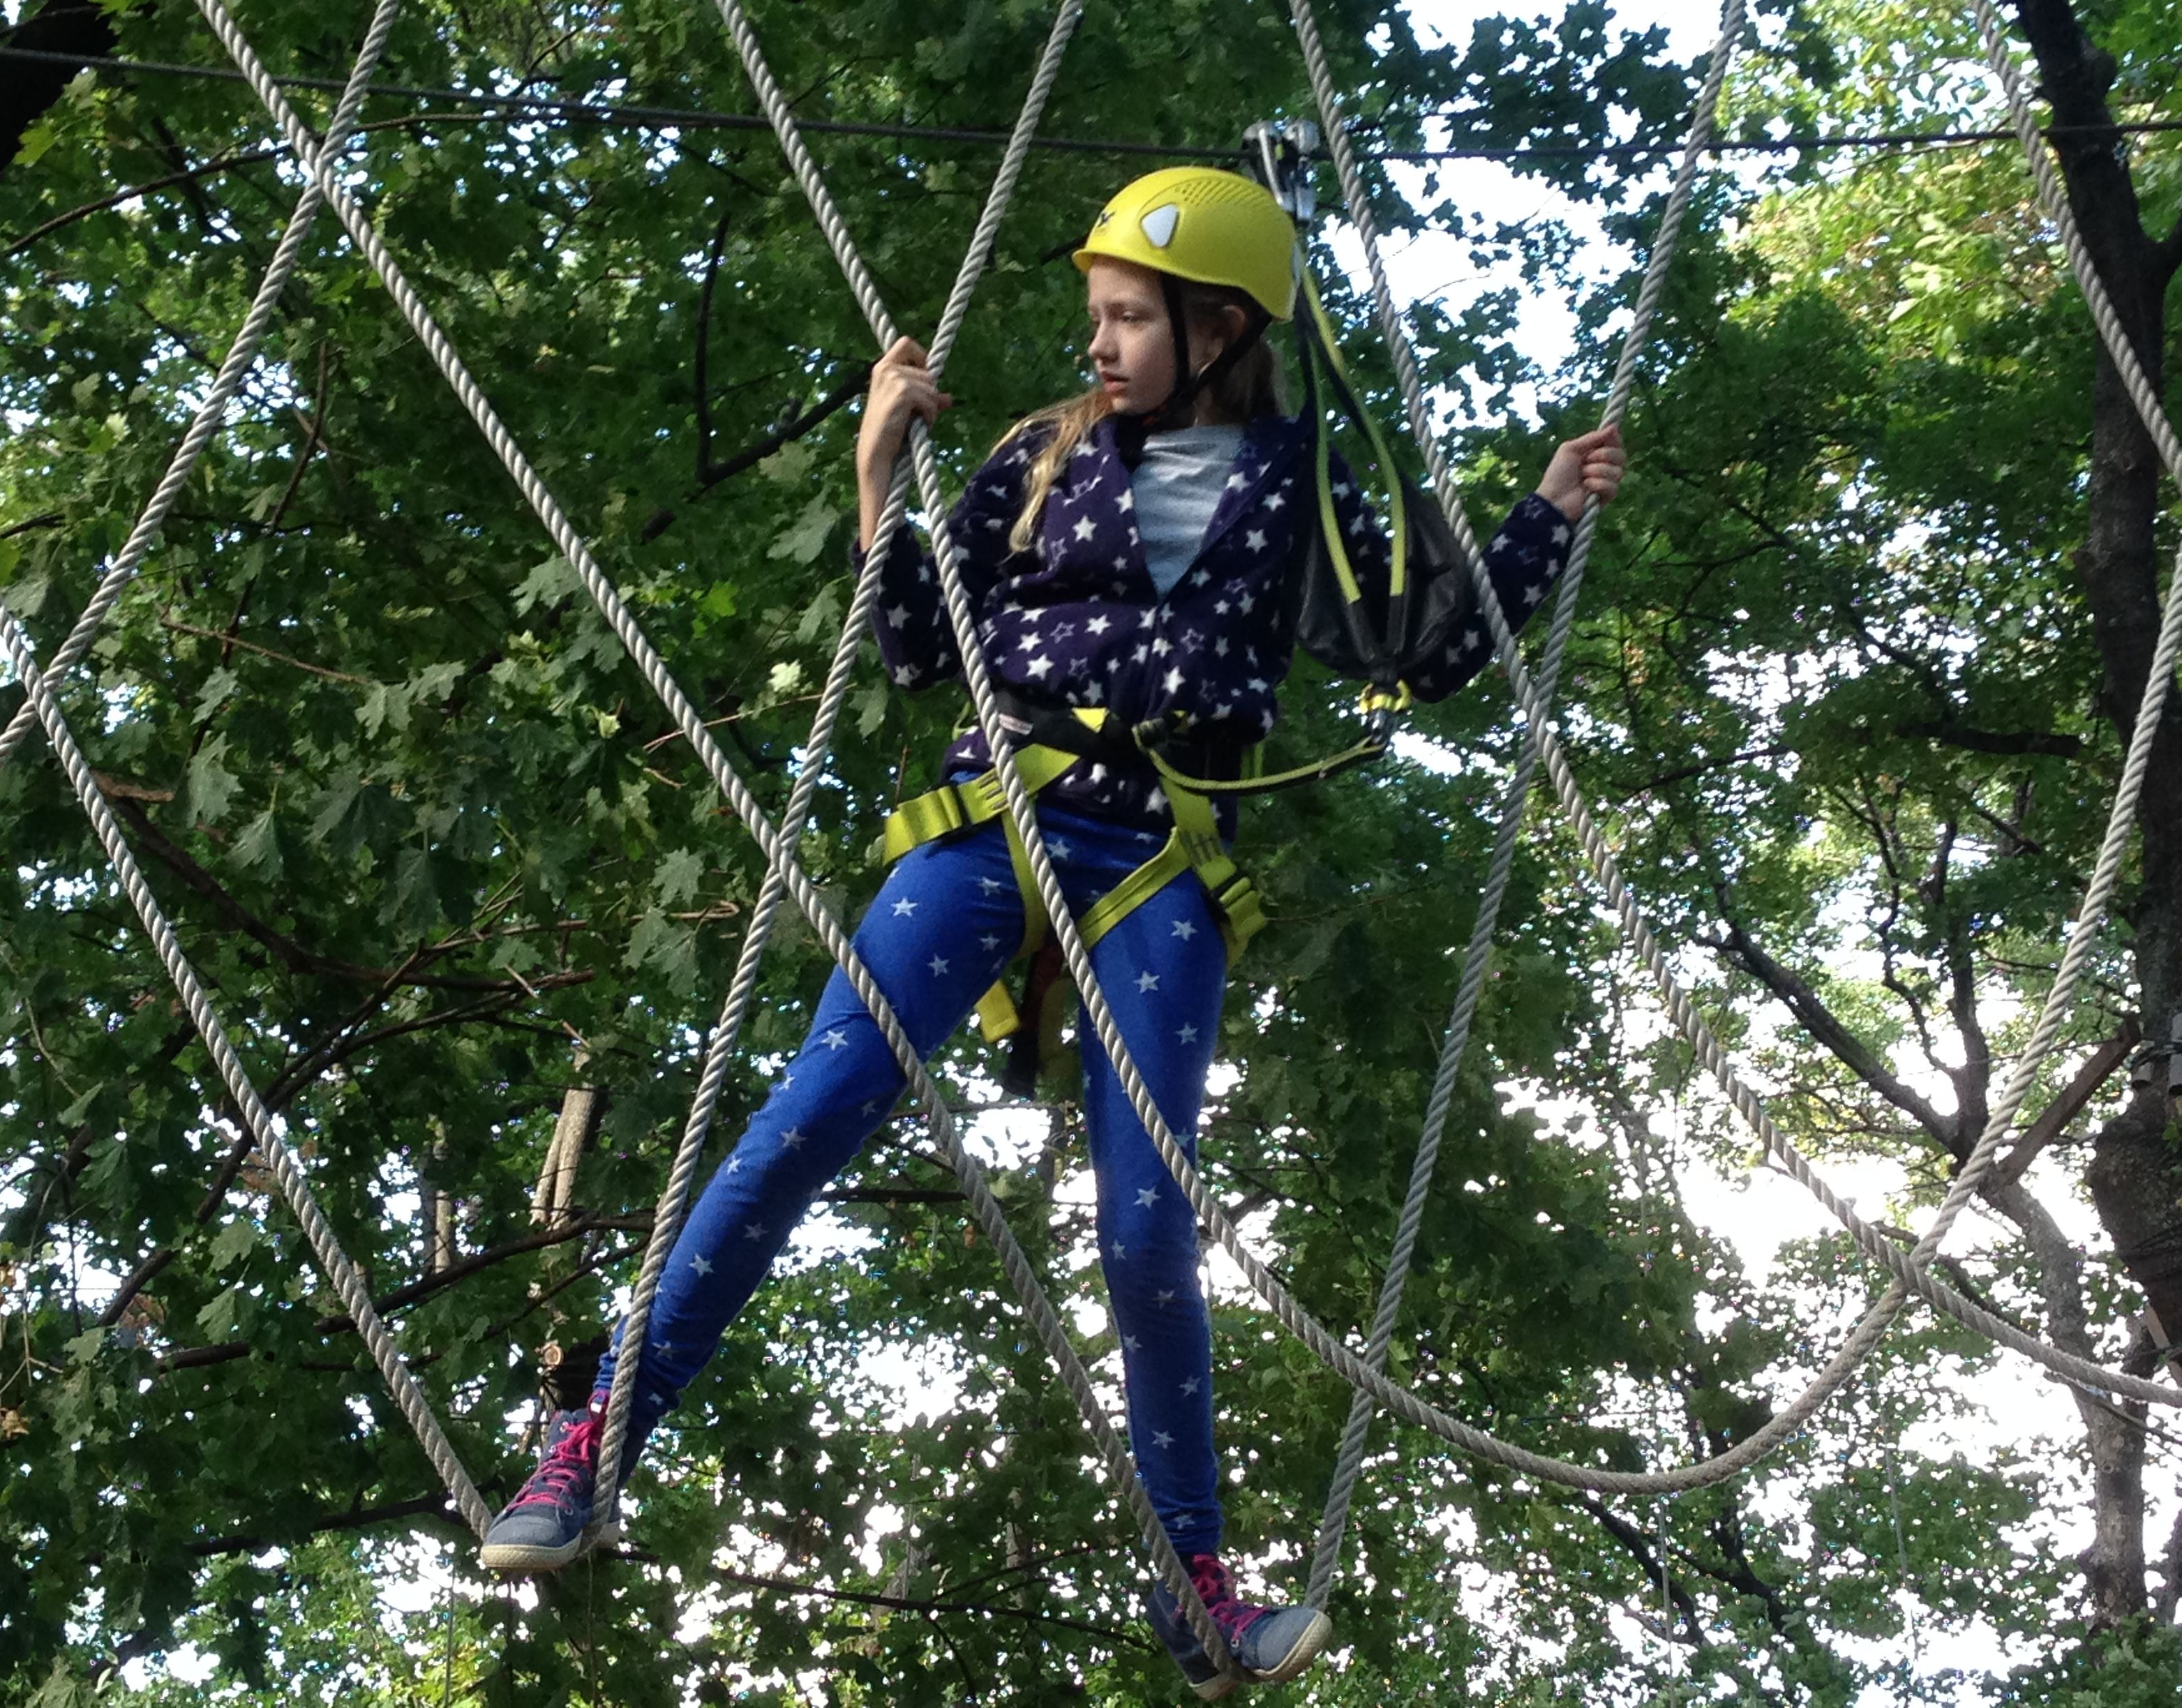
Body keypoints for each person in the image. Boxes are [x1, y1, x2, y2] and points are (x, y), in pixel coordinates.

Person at [479, 167, 1626, 1699]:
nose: (1102, 340)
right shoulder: (1035, 455)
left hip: (1158, 855)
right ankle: (592, 1448)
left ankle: (1197, 1586)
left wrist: (1544, 515)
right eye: (1097, 310)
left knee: (1152, 1226)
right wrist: (879, 475)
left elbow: (1417, 651)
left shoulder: (1295, 487)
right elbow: (906, 641)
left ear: (1220, 330)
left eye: (1133, 317)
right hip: (997, 816)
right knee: (813, 1114)